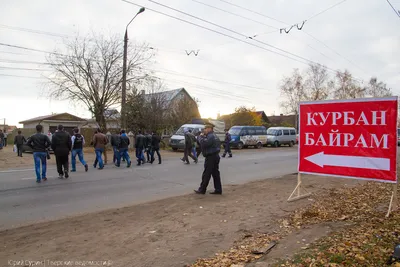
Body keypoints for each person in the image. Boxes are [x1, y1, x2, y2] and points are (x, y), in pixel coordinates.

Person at [194, 123, 222, 195]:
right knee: (215, 174)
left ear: (210, 129)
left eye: (205, 128)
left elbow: (204, 144)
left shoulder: (210, 136)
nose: (204, 130)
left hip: (211, 157)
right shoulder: (214, 136)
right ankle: (218, 189)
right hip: (215, 156)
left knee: (206, 174)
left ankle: (202, 190)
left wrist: (200, 137)